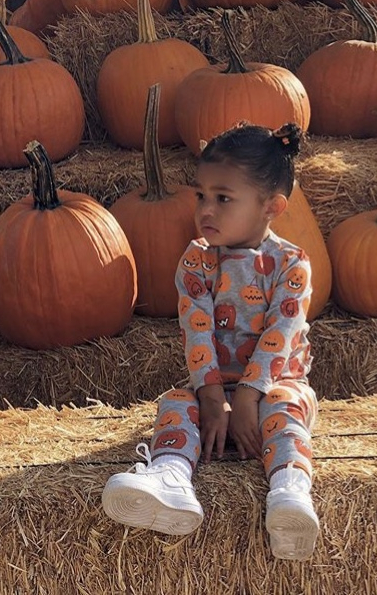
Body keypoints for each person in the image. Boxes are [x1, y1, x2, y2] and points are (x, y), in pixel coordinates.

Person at [102, 121, 319, 561]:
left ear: (271, 206)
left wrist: (247, 400)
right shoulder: (197, 261)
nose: (206, 209)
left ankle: (289, 491)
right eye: (201, 195)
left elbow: (280, 337)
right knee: (175, 404)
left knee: (285, 409)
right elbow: (196, 330)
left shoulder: (291, 264)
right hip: (216, 389)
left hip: (273, 386)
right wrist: (211, 396)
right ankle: (171, 478)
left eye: (223, 199)